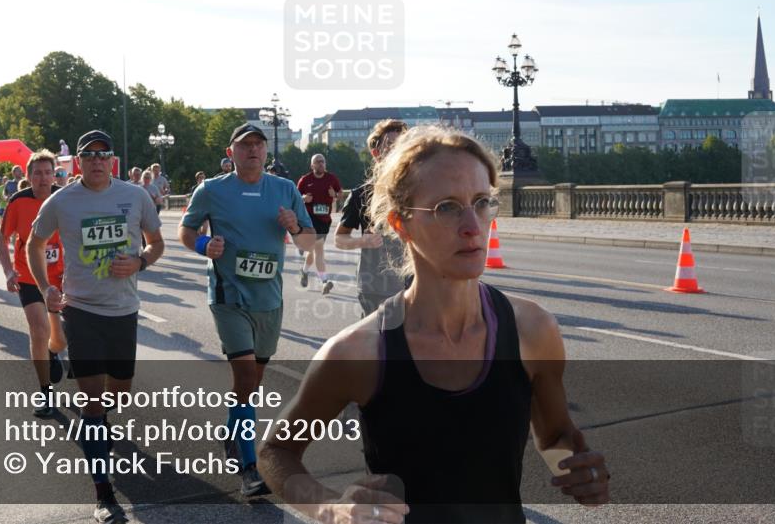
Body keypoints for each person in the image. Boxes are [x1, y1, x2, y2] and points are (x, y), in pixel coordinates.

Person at [259, 126, 611, 523]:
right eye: (446, 207)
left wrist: (580, 469)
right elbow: (276, 451)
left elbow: (555, 436)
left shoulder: (532, 329)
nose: (473, 226)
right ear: (400, 224)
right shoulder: (359, 351)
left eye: (482, 202)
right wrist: (330, 507)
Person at [28, 130, 164, 524]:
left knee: (117, 396)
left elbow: (156, 242)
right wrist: (46, 287)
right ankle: (103, 491)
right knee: (92, 403)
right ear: (79, 162)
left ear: (112, 161)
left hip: (124, 310)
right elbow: (33, 246)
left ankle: (99, 423)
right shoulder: (62, 200)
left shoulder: (135, 196)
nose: (97, 161)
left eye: (103, 154)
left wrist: (141, 261)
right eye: (89, 155)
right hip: (81, 310)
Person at [179, 123, 315, 498]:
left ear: (265, 151)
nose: (253, 150)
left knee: (252, 384)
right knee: (243, 378)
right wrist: (204, 244)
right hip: (228, 296)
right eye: (245, 145)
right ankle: (249, 468)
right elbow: (186, 231)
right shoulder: (211, 190)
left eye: (258, 144)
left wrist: (295, 226)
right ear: (231, 151)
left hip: (269, 299)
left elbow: (308, 243)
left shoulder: (285, 190)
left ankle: (230, 434)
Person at [0, 150, 68, 416]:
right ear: (28, 176)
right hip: (29, 278)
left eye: (48, 172)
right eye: (37, 173)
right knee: (39, 330)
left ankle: (53, 352)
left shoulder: (66, 198)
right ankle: (46, 393)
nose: (43, 178)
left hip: (62, 277)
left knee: (59, 336)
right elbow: (1, 239)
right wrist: (7, 271)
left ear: (55, 175)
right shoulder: (18, 202)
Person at [337, 119, 410, 316]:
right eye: (390, 145)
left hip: (413, 285)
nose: (397, 150)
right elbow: (340, 239)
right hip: (375, 289)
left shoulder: (419, 192)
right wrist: (363, 240)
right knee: (378, 344)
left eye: (403, 144)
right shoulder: (361, 195)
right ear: (376, 153)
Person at [296, 154, 343, 295]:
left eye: (322, 162)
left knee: (313, 250)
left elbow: (340, 194)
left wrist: (334, 194)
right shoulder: (305, 180)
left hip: (324, 220)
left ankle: (304, 271)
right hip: (309, 220)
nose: (321, 164)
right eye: (317, 162)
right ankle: (324, 281)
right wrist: (303, 198)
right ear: (312, 165)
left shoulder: (331, 179)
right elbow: (296, 198)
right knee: (318, 249)